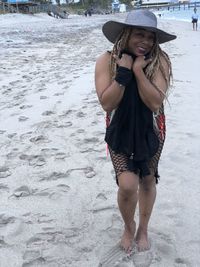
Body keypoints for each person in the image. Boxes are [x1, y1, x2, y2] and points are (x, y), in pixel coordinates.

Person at [95, 10, 176, 253]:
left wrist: (139, 72)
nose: (146, 41)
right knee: (128, 185)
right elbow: (107, 104)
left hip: (151, 128)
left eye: (151, 37)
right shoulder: (106, 60)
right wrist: (124, 72)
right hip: (120, 128)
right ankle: (129, 227)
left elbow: (154, 102)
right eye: (139, 34)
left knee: (148, 179)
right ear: (126, 34)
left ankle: (143, 229)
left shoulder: (160, 61)